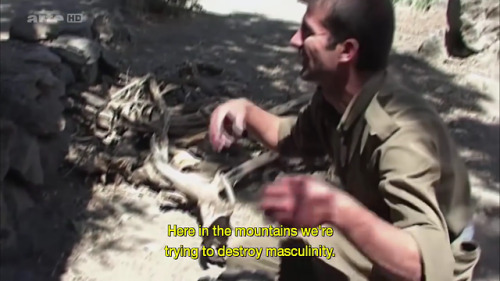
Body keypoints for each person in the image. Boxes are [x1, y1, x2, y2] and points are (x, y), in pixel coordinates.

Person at [207, 0, 481, 280]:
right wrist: (246, 112)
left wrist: (335, 208)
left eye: (307, 32)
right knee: (248, 256)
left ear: (347, 50)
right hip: (377, 238)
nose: (294, 40)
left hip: (427, 262)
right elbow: (290, 137)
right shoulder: (335, 100)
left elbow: (425, 266)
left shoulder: (398, 135)